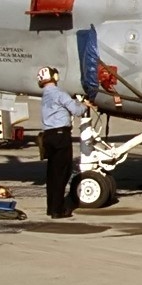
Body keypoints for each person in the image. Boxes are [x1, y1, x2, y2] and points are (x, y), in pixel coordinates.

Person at [37, 65, 93, 218]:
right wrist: (84, 105)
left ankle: (51, 207)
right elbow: (76, 111)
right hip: (61, 135)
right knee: (63, 172)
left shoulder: (45, 95)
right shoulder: (60, 94)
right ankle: (58, 210)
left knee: (52, 174)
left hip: (48, 135)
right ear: (55, 77)